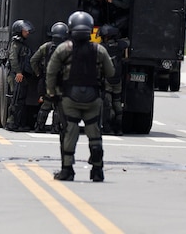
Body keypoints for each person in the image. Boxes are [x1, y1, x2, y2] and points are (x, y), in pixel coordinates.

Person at [47, 11, 115, 182]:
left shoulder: (63, 49)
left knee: (70, 131)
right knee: (94, 133)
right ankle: (98, 170)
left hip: (70, 97)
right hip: (93, 98)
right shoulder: (99, 50)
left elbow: (51, 72)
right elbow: (111, 72)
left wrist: (52, 93)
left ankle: (67, 170)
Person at [30, 22, 69, 133]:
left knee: (46, 104)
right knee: (58, 106)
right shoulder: (67, 48)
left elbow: (33, 60)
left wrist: (39, 73)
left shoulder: (46, 47)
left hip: (47, 79)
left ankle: (39, 127)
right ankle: (55, 128)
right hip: (62, 81)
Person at [99, 24, 128, 136]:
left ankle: (107, 128)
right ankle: (119, 128)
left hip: (107, 80)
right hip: (118, 80)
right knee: (117, 103)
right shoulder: (120, 45)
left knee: (107, 104)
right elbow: (127, 42)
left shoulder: (103, 47)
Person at [6, 19, 34, 132]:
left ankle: (17, 122)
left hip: (20, 74)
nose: (27, 32)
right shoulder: (15, 44)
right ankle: (11, 123)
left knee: (20, 99)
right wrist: (18, 72)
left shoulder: (21, 43)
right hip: (16, 75)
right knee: (16, 99)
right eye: (25, 30)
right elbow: (13, 58)